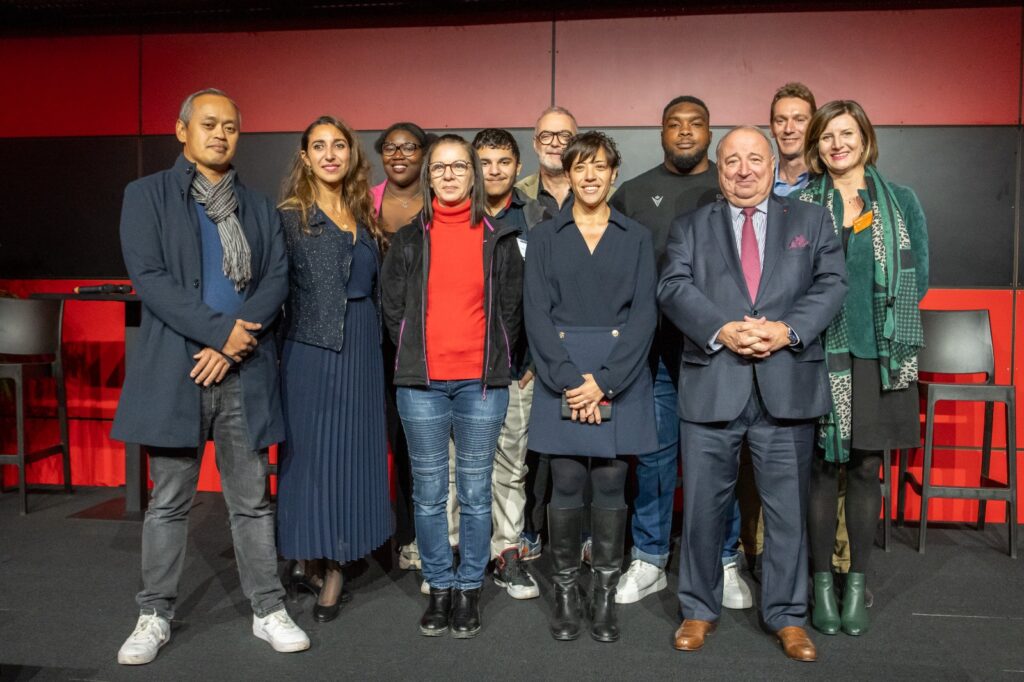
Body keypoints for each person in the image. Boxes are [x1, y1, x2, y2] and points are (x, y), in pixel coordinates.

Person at [113, 89, 309, 665]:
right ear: (182, 131)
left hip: (241, 373)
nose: (220, 134)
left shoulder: (256, 207)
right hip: (176, 373)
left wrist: (233, 342)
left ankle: (267, 607)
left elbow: (275, 278)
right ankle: (154, 614)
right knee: (169, 500)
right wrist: (218, 333)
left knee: (250, 501)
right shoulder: (146, 195)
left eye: (229, 126)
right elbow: (150, 277)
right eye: (208, 124)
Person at [658, 126, 846, 661]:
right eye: (732, 160)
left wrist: (786, 330)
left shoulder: (810, 220)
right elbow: (672, 286)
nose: (743, 170)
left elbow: (831, 283)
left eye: (754, 159)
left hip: (786, 384)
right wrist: (722, 328)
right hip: (713, 384)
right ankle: (698, 609)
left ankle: (788, 617)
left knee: (787, 510)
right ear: (719, 168)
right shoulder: (691, 225)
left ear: (772, 164)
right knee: (701, 510)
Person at [610, 95, 750, 610]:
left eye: (696, 124)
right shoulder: (633, 192)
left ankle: (723, 558)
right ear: (662, 132)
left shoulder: (732, 186)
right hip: (657, 351)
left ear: (711, 132)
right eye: (675, 124)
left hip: (721, 351)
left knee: (719, 459)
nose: (685, 132)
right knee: (654, 458)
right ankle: (649, 557)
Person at [381, 134, 523, 638]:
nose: (447, 175)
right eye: (438, 167)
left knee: (476, 490)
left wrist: (501, 363)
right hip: (421, 385)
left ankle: (468, 591)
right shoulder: (408, 239)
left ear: (473, 174)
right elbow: (392, 309)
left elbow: (512, 312)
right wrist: (416, 356)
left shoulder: (499, 237)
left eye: (458, 166)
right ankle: (438, 588)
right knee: (428, 493)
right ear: (428, 176)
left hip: (480, 386)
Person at [800, 100, 927, 637]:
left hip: (878, 358)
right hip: (819, 354)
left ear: (865, 139)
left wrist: (887, 330)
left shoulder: (901, 200)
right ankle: (821, 585)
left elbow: (917, 278)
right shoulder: (801, 202)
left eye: (846, 134)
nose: (837, 144)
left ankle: (857, 584)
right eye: (827, 136)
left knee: (866, 469)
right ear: (817, 145)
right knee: (823, 470)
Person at [524, 131, 658, 643]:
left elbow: (645, 315)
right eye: (580, 166)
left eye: (599, 166)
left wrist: (602, 383)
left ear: (613, 173)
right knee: (565, 482)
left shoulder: (637, 236)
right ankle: (564, 590)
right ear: (568, 172)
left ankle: (602, 593)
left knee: (609, 481)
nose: (590, 175)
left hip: (618, 377)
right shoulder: (544, 237)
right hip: (562, 372)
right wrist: (567, 381)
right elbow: (535, 314)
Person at [275, 115, 392, 623]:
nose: (329, 154)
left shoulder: (365, 213)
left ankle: (339, 563)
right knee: (307, 457)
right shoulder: (287, 216)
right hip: (307, 347)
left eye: (338, 145)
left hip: (363, 345)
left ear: (351, 154)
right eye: (318, 146)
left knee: (353, 455)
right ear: (305, 156)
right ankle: (307, 552)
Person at [471, 128, 549, 599]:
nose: (494, 171)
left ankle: (507, 553)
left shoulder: (539, 218)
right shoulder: (453, 216)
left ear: (518, 167)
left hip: (518, 368)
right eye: (484, 162)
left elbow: (551, 297)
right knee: (459, 465)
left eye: (504, 161)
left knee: (510, 466)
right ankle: (458, 555)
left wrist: (535, 360)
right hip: (459, 370)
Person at [371, 121, 435, 574]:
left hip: (423, 339)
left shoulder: (440, 201)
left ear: (424, 154)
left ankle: (413, 536)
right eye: (390, 147)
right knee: (373, 438)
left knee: (416, 441)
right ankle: (371, 532)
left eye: (409, 147)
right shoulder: (363, 201)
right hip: (368, 338)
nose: (399, 155)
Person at [516, 106, 579, 214]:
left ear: (577, 143)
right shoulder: (517, 193)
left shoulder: (604, 194)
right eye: (546, 136)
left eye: (565, 136)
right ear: (535, 144)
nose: (555, 143)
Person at [771, 83, 817, 197]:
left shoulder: (830, 183)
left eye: (799, 120)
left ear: (814, 126)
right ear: (772, 128)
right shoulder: (757, 184)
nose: (788, 129)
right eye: (780, 121)